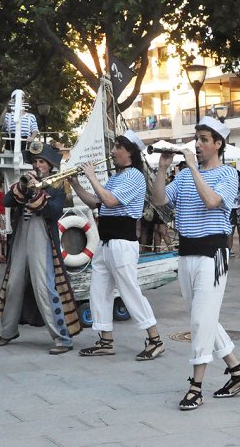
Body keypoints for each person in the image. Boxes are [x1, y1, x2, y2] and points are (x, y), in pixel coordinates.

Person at [151, 116, 240, 411]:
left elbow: (211, 202)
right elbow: (159, 200)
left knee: (199, 321)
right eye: (197, 138)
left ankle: (196, 387)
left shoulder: (228, 175)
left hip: (213, 254)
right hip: (187, 253)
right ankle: (237, 372)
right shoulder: (182, 176)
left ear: (218, 144)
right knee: (205, 317)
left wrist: (193, 166)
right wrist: (162, 169)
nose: (198, 143)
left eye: (204, 139)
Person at [69, 130, 164, 360]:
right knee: (98, 291)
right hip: (106, 241)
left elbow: (110, 201)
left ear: (129, 151)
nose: (112, 152)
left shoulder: (134, 176)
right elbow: (95, 201)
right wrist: (75, 184)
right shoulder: (116, 177)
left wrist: (91, 176)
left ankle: (155, 339)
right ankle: (105, 340)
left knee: (129, 290)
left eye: (117, 148)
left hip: (122, 242)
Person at [0, 144, 82, 354]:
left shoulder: (58, 187)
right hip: (22, 235)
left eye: (41, 162)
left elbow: (53, 211)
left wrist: (36, 192)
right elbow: (6, 201)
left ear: (50, 166)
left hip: (42, 235)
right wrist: (24, 187)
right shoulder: (24, 183)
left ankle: (62, 337)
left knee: (44, 285)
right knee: (13, 283)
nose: (37, 165)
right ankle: (8, 330)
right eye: (35, 162)